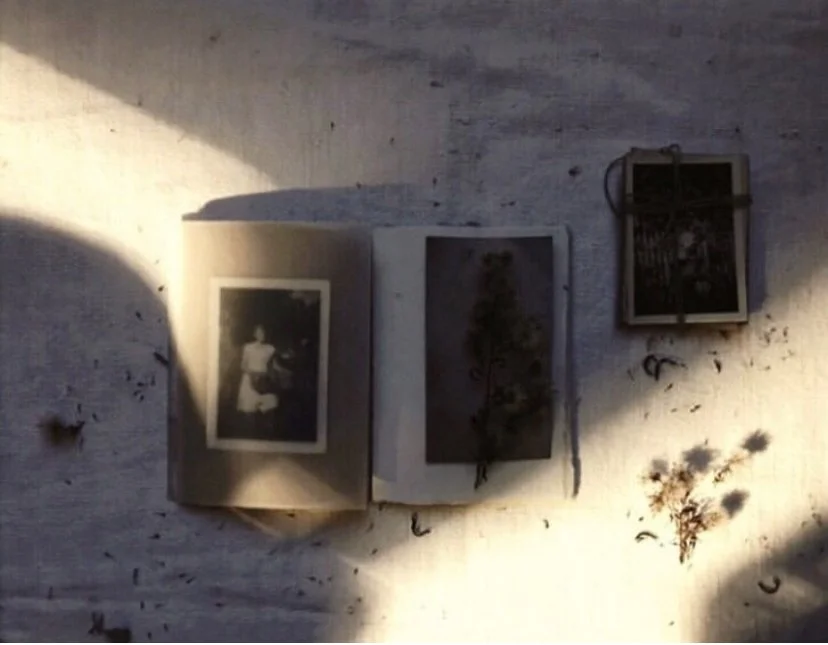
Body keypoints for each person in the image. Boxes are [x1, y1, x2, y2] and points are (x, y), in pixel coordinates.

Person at [236, 324, 281, 415]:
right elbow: (243, 365)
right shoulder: (248, 347)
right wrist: (252, 374)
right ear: (255, 334)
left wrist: (283, 372)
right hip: (250, 379)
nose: (261, 335)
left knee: (267, 407)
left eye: (263, 333)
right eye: (259, 333)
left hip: (263, 381)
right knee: (249, 409)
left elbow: (275, 365)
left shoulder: (270, 348)